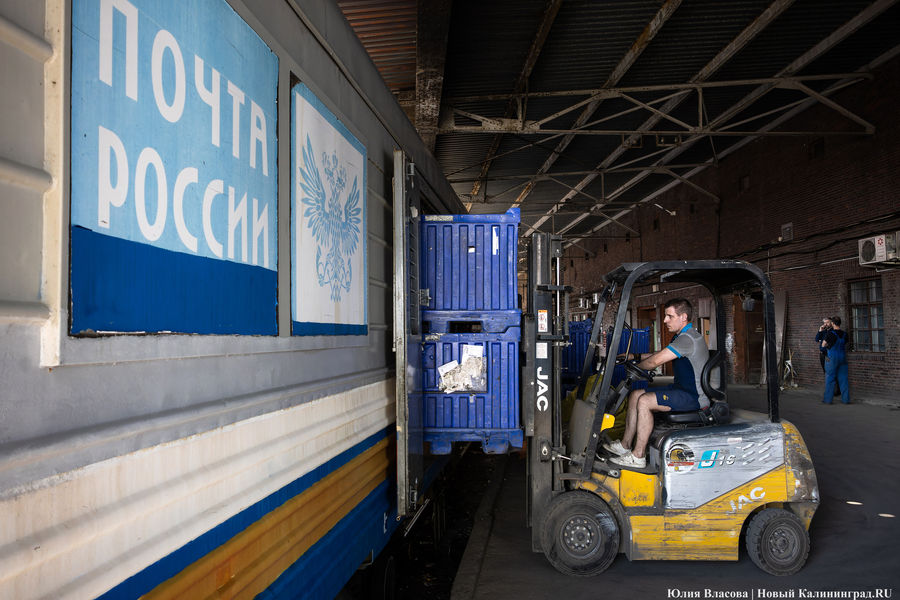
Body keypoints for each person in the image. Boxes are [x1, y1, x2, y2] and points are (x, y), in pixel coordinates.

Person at [602, 298, 710, 468]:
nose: (665, 320)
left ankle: (637, 457)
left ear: (684, 317)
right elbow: (660, 353)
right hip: (681, 389)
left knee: (645, 401)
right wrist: (634, 357)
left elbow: (655, 362)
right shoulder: (681, 336)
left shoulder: (688, 339)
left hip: (693, 397)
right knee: (636, 394)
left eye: (669, 316)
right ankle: (625, 445)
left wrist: (636, 367)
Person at [821, 316, 850, 405]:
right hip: (842, 357)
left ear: (832, 323)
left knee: (830, 378)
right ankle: (846, 400)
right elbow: (845, 343)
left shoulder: (829, 334)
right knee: (843, 379)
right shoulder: (845, 334)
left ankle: (828, 400)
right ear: (840, 323)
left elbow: (823, 345)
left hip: (832, 358)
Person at [815, 318, 841, 397]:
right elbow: (817, 339)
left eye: (827, 322)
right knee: (826, 372)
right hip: (822, 354)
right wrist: (820, 331)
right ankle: (831, 390)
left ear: (832, 323)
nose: (825, 324)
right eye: (824, 322)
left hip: (829, 354)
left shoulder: (833, 332)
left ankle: (834, 390)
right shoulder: (824, 331)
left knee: (831, 373)